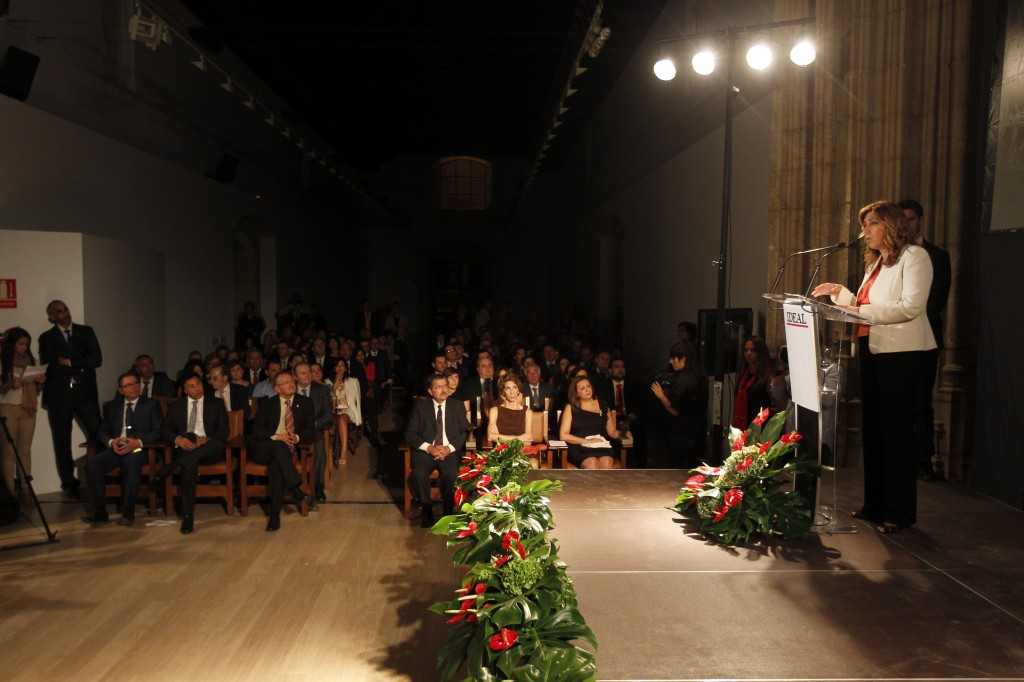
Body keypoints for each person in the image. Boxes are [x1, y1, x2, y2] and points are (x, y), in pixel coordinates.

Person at [812, 199, 935, 534]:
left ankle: (898, 511)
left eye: (872, 224)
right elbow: (867, 306)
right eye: (864, 224)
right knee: (875, 430)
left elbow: (910, 306)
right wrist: (842, 294)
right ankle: (875, 505)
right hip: (871, 347)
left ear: (891, 226)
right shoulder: (876, 263)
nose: (865, 231)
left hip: (902, 352)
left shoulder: (915, 257)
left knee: (896, 432)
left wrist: (861, 311)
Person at [898, 198, 952, 480]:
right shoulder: (891, 256)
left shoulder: (938, 256)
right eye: (901, 219)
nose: (905, 224)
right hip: (893, 339)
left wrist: (905, 314)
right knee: (898, 402)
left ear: (920, 220)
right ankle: (899, 459)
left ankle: (923, 462)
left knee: (920, 402)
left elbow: (936, 300)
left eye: (910, 219)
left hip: (924, 337)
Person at [38, 300, 103, 498]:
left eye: (65, 308)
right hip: (60, 396)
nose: (64, 313)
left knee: (99, 434)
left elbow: (97, 360)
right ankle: (69, 483)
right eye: (58, 311)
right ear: (51, 317)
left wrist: (69, 362)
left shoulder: (86, 331)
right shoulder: (47, 338)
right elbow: (52, 367)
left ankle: (105, 476)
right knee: (62, 440)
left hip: (85, 394)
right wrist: (80, 365)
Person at [81, 372, 163, 526]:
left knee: (131, 462)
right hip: (117, 449)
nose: (134, 387)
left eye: (136, 383)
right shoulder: (112, 406)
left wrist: (137, 442)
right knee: (93, 464)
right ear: (120, 390)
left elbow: (158, 431)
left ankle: (128, 511)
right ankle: (100, 512)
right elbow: (102, 432)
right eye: (129, 385)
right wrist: (112, 442)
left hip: (141, 450)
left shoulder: (151, 404)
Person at [155, 374, 229, 534]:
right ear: (184, 390)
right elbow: (165, 430)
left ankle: (173, 466)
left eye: (199, 384)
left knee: (216, 443)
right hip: (186, 448)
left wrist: (208, 438)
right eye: (192, 386)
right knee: (189, 466)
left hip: (209, 449)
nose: (197, 388)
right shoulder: (176, 406)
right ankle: (188, 516)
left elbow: (224, 431)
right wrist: (178, 439)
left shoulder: (216, 403)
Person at [249, 371, 313, 531]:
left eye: (292, 381)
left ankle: (274, 515)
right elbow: (256, 430)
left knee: (276, 466)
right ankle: (295, 488)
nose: (291, 384)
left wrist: (296, 437)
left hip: (287, 450)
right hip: (265, 448)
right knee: (278, 446)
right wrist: (276, 436)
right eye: (286, 382)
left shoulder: (305, 402)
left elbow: (311, 429)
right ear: (277, 389)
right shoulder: (268, 404)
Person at [404, 373, 469, 527]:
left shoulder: (457, 405)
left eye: (445, 386)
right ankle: (427, 511)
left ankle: (447, 512)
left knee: (452, 474)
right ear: (430, 391)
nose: (443, 390)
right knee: (419, 474)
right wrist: (429, 447)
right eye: (438, 387)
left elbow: (464, 431)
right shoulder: (421, 407)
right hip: (427, 452)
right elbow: (410, 434)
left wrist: (449, 448)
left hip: (450, 451)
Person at [0, 327, 45, 506]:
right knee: (8, 450)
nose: (24, 348)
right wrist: (11, 383)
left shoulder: (33, 361)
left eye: (26, 344)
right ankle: (10, 491)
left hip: (27, 408)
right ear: (12, 344)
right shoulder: (3, 361)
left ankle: (26, 489)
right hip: (8, 407)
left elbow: (37, 392)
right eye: (20, 344)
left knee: (25, 450)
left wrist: (40, 382)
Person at [651, 341, 709, 469]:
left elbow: (674, 410)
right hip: (698, 432)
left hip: (682, 435)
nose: (670, 362)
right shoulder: (702, 377)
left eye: (673, 358)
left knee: (676, 471)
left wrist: (661, 396)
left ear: (683, 359)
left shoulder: (682, 380)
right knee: (696, 472)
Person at [559, 375, 620, 469]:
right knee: (592, 463)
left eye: (588, 386)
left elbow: (612, 432)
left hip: (600, 445)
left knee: (607, 462)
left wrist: (624, 433)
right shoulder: (570, 408)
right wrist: (587, 441)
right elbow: (563, 435)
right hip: (579, 446)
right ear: (576, 393)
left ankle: (606, 484)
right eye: (582, 388)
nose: (587, 390)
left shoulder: (603, 406)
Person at [294, 362, 334, 503]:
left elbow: (328, 414)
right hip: (292, 431)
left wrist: (314, 424)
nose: (308, 375)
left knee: (319, 443)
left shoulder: (322, 390)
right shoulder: (289, 389)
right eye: (303, 373)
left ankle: (318, 485)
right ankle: (292, 485)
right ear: (295, 376)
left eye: (309, 372)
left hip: (313, 430)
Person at [487, 374, 540, 468]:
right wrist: (519, 438)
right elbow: (491, 437)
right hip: (502, 451)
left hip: (522, 451)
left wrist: (501, 437)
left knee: (533, 463)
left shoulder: (527, 412)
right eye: (507, 388)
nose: (511, 392)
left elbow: (527, 441)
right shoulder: (495, 411)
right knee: (508, 465)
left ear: (518, 390)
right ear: (503, 392)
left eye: (514, 387)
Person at [732, 335, 772, 429]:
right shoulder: (743, 374)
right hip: (742, 426)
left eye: (753, 350)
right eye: (746, 350)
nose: (748, 353)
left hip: (759, 428)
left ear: (760, 353)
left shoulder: (766, 377)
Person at [327, 358, 361, 463]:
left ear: (346, 368)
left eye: (342, 365)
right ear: (334, 368)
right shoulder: (327, 382)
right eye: (337, 365)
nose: (340, 368)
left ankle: (343, 451)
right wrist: (335, 386)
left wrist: (359, 416)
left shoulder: (353, 381)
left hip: (347, 410)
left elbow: (357, 400)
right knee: (333, 418)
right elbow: (326, 400)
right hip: (333, 410)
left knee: (341, 418)